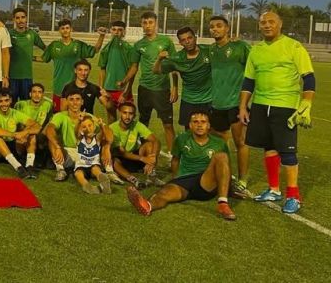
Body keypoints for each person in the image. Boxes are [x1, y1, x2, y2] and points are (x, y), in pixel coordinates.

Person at [239, 12, 315, 214]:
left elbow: (308, 77)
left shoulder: (293, 46)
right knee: (269, 147)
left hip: (285, 105)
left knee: (288, 152)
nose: (266, 25)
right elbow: (248, 81)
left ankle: (293, 196)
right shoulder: (256, 50)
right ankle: (274, 189)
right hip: (261, 105)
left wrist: (306, 101)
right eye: (263, 22)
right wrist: (243, 106)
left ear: (280, 24)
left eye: (271, 21)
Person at [126, 110, 237, 221]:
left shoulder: (219, 143)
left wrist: (228, 187)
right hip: (185, 181)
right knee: (164, 193)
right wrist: (175, 178)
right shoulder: (181, 139)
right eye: (195, 122)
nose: (199, 125)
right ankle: (147, 206)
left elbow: (224, 166)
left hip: (206, 181)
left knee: (221, 156)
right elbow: (175, 160)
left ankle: (223, 204)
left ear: (208, 125)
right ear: (190, 125)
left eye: (203, 122)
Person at [207, 16, 252, 198]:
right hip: (216, 104)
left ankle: (243, 179)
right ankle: (226, 174)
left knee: (240, 142)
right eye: (212, 27)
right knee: (220, 143)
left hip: (236, 104)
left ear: (227, 29)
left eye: (219, 26)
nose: (215, 29)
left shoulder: (240, 47)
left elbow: (254, 68)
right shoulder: (210, 50)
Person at [132, 12, 177, 160]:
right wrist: (126, 85)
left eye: (150, 22)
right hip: (144, 89)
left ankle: (173, 156)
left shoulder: (166, 42)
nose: (148, 26)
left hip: (162, 90)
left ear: (156, 23)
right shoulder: (138, 45)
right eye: (145, 23)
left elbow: (173, 65)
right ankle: (143, 152)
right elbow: (134, 67)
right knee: (143, 122)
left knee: (168, 124)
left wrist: (175, 87)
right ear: (141, 25)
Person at [45, 88, 114, 183]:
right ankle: (60, 170)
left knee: (104, 140)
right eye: (71, 99)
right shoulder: (60, 116)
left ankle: (110, 172)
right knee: (51, 141)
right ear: (67, 102)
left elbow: (109, 132)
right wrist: (57, 146)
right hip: (68, 153)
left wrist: (107, 147)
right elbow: (49, 129)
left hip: (86, 153)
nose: (74, 103)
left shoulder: (89, 117)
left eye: (77, 99)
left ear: (82, 102)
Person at [39, 19, 106, 112]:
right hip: (59, 87)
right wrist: (28, 57)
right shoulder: (54, 45)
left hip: (76, 89)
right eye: (63, 28)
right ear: (59, 30)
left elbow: (95, 50)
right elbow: (43, 58)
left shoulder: (78, 45)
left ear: (71, 29)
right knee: (59, 116)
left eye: (67, 28)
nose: (65, 30)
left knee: (76, 117)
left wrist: (102, 36)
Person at [153, 27, 212, 131]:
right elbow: (156, 71)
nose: (187, 41)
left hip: (209, 100)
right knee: (189, 133)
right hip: (188, 101)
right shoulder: (177, 58)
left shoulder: (209, 51)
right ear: (180, 43)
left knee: (210, 133)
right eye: (183, 40)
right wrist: (159, 59)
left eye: (190, 38)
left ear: (195, 38)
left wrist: (232, 41)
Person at [0, 89, 41, 179]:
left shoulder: (15, 113)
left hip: (13, 147)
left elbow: (37, 126)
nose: (4, 104)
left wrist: (25, 132)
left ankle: (30, 166)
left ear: (10, 100)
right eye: (0, 101)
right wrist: (14, 135)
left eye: (6, 100)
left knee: (32, 134)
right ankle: (18, 167)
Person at [109, 102, 164, 188]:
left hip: (134, 156)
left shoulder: (137, 125)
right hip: (122, 158)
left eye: (130, 113)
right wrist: (143, 158)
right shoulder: (113, 128)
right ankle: (134, 180)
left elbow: (156, 141)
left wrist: (153, 159)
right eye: (125, 113)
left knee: (149, 145)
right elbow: (121, 153)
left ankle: (152, 175)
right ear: (120, 113)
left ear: (134, 115)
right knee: (114, 161)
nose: (127, 116)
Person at [98, 20, 139, 123]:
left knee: (127, 119)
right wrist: (101, 88)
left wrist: (126, 92)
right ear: (111, 31)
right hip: (109, 90)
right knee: (111, 119)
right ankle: (112, 139)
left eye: (120, 30)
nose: (116, 32)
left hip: (123, 91)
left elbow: (132, 72)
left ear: (124, 32)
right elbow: (102, 69)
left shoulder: (129, 49)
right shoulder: (106, 49)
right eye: (114, 29)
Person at [8, 7, 46, 101]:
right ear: (14, 19)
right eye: (17, 18)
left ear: (26, 18)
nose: (20, 20)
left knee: (26, 106)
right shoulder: (9, 34)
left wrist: (34, 58)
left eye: (23, 17)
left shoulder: (32, 34)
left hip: (27, 77)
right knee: (11, 107)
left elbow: (46, 49)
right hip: (12, 77)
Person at [13, 83, 54, 168]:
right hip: (24, 135)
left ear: (43, 94)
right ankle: (23, 157)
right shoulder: (20, 105)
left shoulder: (47, 105)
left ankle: (43, 157)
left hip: (39, 134)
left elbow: (50, 121)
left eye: (39, 92)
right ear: (30, 94)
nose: (37, 95)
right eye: (34, 92)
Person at [72, 115, 113, 194]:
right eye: (84, 127)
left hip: (93, 165)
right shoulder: (80, 139)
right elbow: (76, 131)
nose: (88, 128)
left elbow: (103, 134)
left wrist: (101, 125)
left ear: (94, 126)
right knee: (78, 173)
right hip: (81, 166)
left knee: (96, 169)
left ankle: (104, 181)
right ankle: (87, 186)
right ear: (81, 129)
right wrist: (79, 121)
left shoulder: (96, 138)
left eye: (90, 125)